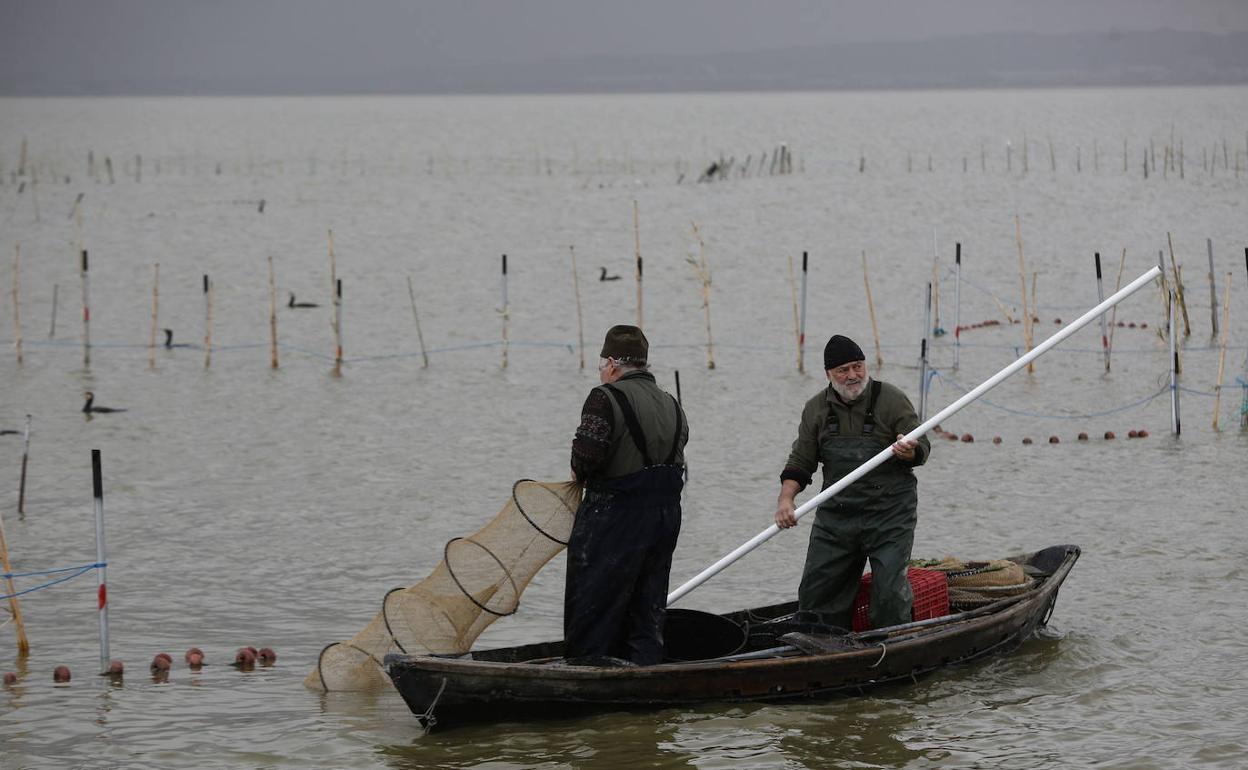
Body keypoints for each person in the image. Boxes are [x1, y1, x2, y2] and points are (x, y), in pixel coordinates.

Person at [774, 334, 930, 631]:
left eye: (857, 367)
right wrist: (786, 500)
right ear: (829, 375)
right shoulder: (816, 409)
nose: (852, 376)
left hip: (890, 516)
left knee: (887, 598)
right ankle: (825, 651)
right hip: (836, 518)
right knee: (815, 596)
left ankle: (894, 651)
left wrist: (910, 450)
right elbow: (800, 461)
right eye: (842, 370)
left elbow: (922, 445)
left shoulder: (892, 399)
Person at [565, 325, 689, 665]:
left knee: (594, 606)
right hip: (665, 520)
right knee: (647, 608)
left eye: (602, 364)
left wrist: (577, 470)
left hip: (614, 520)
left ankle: (589, 678)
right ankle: (644, 675)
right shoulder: (672, 404)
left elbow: (586, 459)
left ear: (611, 363)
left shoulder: (603, 398)